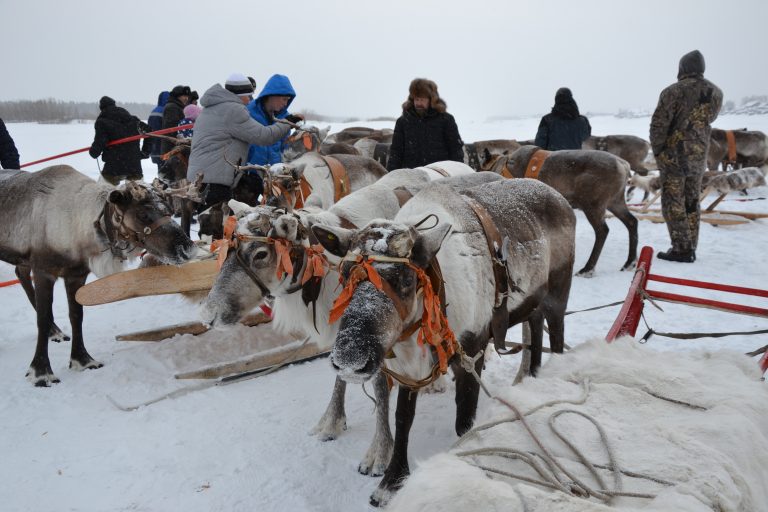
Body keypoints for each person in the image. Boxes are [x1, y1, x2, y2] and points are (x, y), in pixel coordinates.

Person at [186, 73, 294, 238]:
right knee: (215, 233)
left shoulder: (212, 107)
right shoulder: (234, 110)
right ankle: (210, 262)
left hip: (202, 177)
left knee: (210, 228)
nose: (251, 100)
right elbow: (264, 136)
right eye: (249, 96)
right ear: (241, 95)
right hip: (216, 179)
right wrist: (288, 122)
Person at [650, 50, 723, 263]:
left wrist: (659, 152)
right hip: (699, 156)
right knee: (692, 201)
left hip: (673, 156)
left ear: (682, 68)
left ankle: (681, 248)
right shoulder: (716, 92)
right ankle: (691, 245)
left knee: (673, 201)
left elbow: (659, 126)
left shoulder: (672, 91)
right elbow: (708, 119)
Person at [244, 74, 303, 199]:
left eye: (288, 100)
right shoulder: (248, 112)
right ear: (273, 94)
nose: (286, 103)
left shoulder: (286, 119)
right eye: (284, 99)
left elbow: (284, 147)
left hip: (275, 176)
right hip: (250, 174)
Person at [387, 78, 464, 171]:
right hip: (410, 176)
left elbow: (455, 150)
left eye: (422, 100)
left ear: (431, 100)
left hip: (439, 174)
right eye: (416, 99)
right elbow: (396, 152)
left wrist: (458, 172)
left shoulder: (446, 120)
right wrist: (391, 174)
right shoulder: (403, 122)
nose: (419, 103)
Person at [89, 96, 151, 185]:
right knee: (138, 195)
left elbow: (100, 142)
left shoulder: (102, 122)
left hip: (113, 167)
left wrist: (93, 152)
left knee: (104, 194)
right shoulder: (133, 120)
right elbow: (150, 133)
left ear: (102, 108)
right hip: (134, 166)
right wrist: (145, 152)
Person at [147, 90, 170, 171]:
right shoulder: (166, 110)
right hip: (163, 146)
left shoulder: (154, 111)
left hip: (154, 145)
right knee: (166, 172)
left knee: (160, 170)